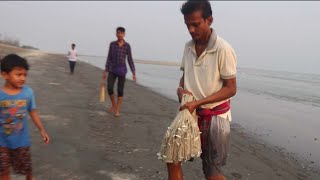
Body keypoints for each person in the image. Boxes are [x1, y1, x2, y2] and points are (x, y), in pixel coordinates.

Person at [169, 1, 238, 180]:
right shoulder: (188, 47)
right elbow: (185, 76)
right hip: (189, 115)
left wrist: (198, 103)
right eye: (187, 25)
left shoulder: (223, 49)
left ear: (209, 20)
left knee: (211, 172)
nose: (191, 29)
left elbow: (231, 89)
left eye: (196, 24)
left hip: (215, 118)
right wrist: (180, 90)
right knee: (172, 157)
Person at [0, 54, 50, 180]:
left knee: (27, 171)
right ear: (5, 75)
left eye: (25, 75)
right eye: (18, 74)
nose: (22, 78)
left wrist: (42, 129)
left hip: (21, 141)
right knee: (3, 171)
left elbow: (33, 111)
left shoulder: (28, 92)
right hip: (1, 141)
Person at [103, 27, 136, 117]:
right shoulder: (112, 44)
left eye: (121, 33)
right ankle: (113, 104)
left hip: (122, 70)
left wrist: (133, 72)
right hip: (112, 69)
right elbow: (109, 57)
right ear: (116, 34)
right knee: (109, 88)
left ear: (124, 34)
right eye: (118, 33)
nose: (119, 34)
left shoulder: (127, 46)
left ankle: (117, 109)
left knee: (120, 90)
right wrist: (105, 70)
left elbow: (130, 59)